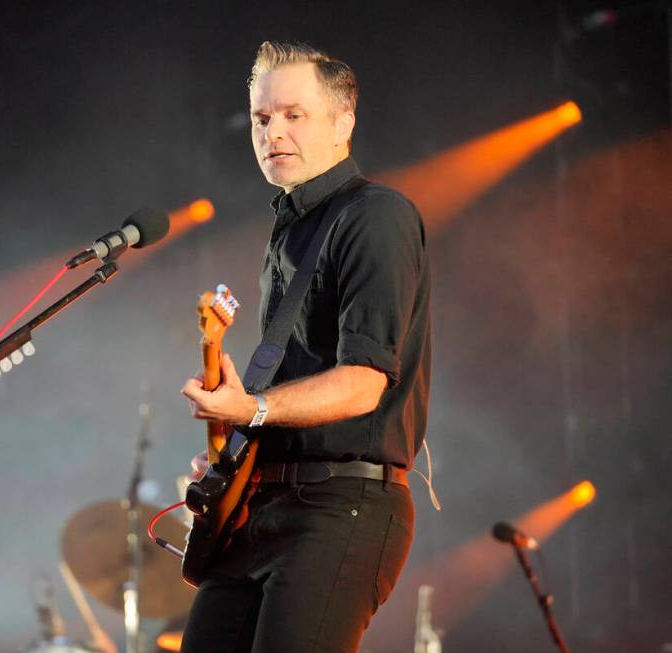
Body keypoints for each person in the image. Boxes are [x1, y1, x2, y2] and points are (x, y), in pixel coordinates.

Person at [179, 41, 431, 653]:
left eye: (294, 115)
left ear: (344, 122)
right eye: (263, 119)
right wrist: (235, 458)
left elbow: (365, 380)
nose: (273, 132)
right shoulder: (290, 230)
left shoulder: (376, 215)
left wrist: (253, 411)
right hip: (265, 504)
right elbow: (283, 390)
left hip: (343, 504)